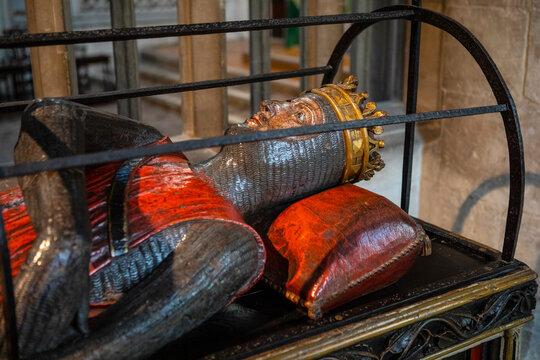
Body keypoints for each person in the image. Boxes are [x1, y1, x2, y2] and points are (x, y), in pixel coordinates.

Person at [0, 76, 390, 359]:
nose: (273, 105)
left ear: (311, 169)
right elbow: (49, 115)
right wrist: (62, 236)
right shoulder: (152, 147)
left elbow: (100, 352)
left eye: (299, 116)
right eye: (290, 101)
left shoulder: (230, 245)